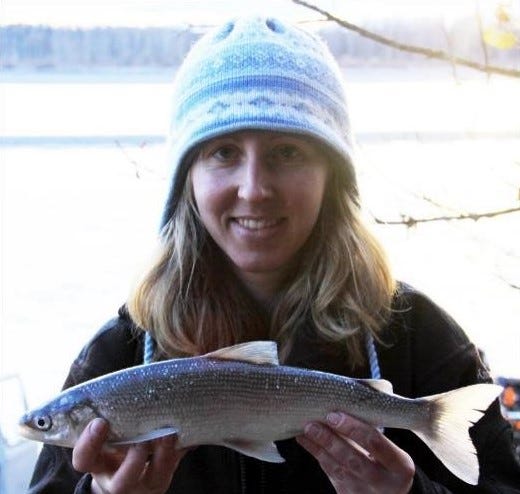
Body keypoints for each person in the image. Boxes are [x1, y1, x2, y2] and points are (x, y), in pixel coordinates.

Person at [28, 15, 520, 494]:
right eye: (223, 152)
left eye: (287, 151)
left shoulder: (419, 336)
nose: (255, 188)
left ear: (333, 178)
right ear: (188, 181)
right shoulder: (118, 355)